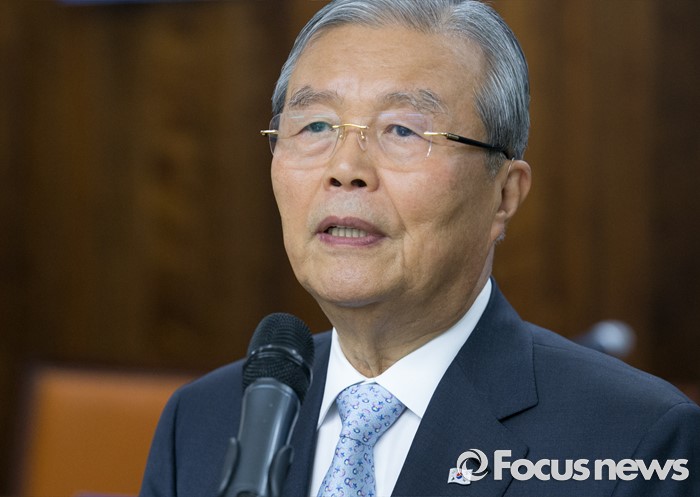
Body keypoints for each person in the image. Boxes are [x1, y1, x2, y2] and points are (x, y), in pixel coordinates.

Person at [139, 1, 700, 496]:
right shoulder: (202, 421)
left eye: (403, 131)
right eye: (315, 126)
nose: (345, 169)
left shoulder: (636, 440)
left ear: (504, 195)